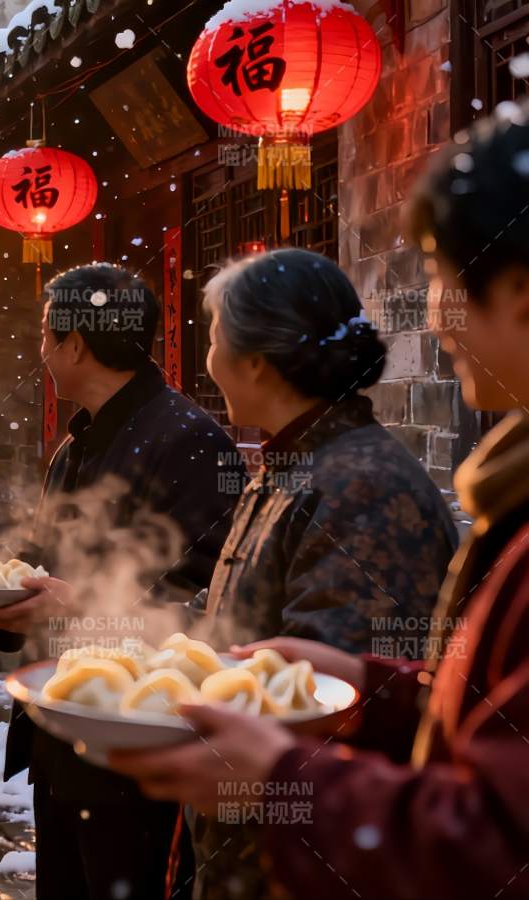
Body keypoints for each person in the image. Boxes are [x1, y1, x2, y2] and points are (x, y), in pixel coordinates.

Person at [109, 103, 529, 900]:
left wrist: (279, 775)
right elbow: (451, 707)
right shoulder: (293, 463)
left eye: (443, 280)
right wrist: (367, 683)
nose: (434, 315)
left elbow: (492, 835)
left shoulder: (360, 484)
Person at [0, 263, 243, 900]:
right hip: (61, 728)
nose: (41, 352)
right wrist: (2, 597)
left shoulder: (188, 441)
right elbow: (43, 565)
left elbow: (211, 607)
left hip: (137, 746)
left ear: (75, 344)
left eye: (45, 335)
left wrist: (80, 611)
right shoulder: (78, 442)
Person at [175, 248, 457, 900]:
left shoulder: (361, 486)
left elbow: (318, 695)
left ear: (255, 360)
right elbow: (242, 634)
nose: (207, 360)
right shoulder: (295, 463)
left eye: (213, 339)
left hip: (304, 861)